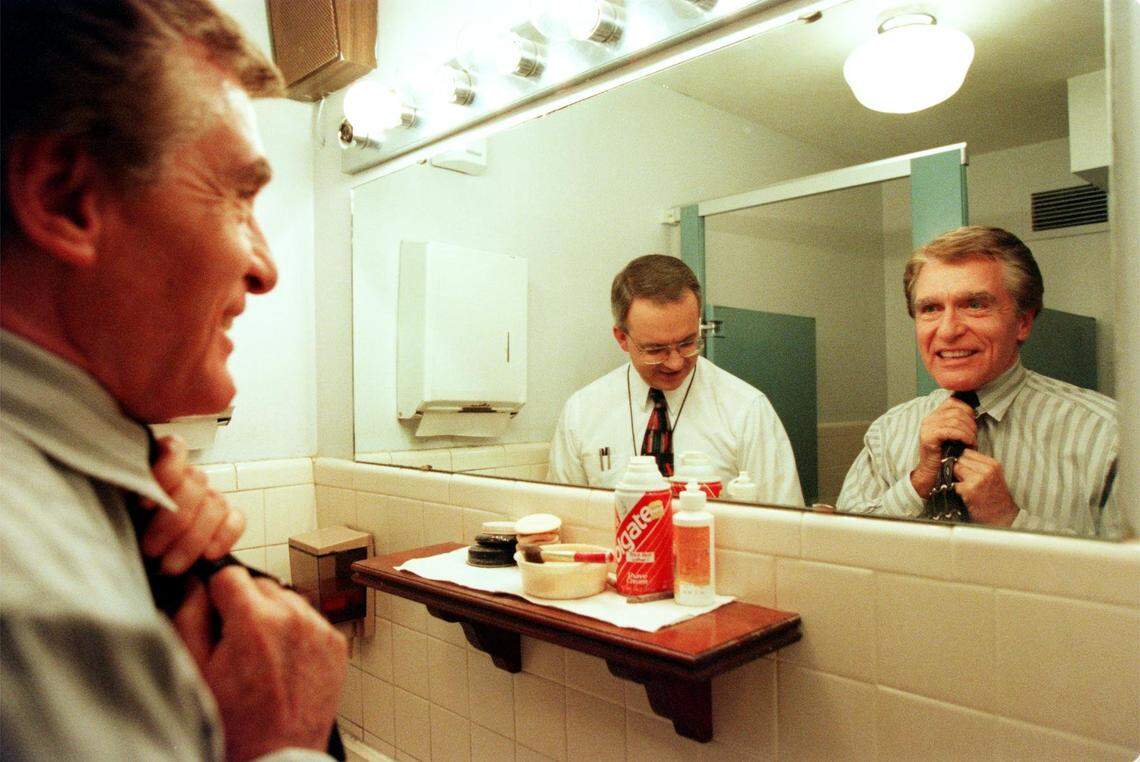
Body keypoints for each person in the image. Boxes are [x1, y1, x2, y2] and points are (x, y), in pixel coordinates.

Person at [1, 2, 348, 759]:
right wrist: (285, 748)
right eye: (236, 196)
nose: (265, 267)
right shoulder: (33, 608)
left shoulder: (134, 498)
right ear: (66, 198)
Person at [837, 226, 1119, 538]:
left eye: (974, 305)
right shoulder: (887, 433)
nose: (947, 331)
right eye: (930, 309)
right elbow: (838, 550)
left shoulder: (1109, 435)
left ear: (1023, 322)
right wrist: (916, 485)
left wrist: (1010, 519)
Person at [547, 254, 803, 504]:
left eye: (687, 343)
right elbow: (563, 521)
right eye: (655, 349)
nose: (675, 362)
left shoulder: (747, 410)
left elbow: (789, 531)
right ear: (622, 338)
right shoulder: (582, 413)